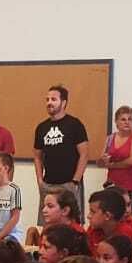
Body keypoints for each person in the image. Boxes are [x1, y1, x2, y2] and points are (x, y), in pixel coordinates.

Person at [32, 84, 88, 225]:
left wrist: (75, 181)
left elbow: (84, 155)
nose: (49, 102)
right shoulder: (41, 127)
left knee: (71, 224)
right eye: (47, 99)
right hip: (48, 184)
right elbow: (37, 156)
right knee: (47, 225)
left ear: (63, 103)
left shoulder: (75, 124)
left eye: (54, 99)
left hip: (69, 184)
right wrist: (40, 180)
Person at [95, 105, 132, 216]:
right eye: (123, 119)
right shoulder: (110, 138)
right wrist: (102, 161)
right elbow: (101, 163)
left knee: (131, 220)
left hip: (131, 186)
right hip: (113, 186)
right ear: (116, 122)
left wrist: (111, 165)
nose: (127, 122)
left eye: (130, 119)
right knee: (111, 218)